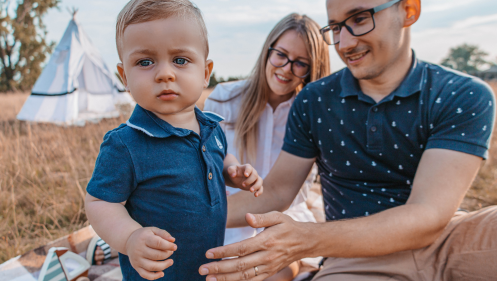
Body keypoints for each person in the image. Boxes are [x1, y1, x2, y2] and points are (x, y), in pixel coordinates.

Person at [198, 0, 497, 280]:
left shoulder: (463, 95)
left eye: (359, 18)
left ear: (408, 10)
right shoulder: (315, 101)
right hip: (353, 257)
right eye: (337, 27)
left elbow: (429, 215)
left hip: (449, 239)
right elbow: (275, 191)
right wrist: (177, 217)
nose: (346, 43)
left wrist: (305, 238)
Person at [84, 0, 264, 280]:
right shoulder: (127, 144)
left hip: (206, 266)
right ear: (124, 77)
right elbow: (99, 203)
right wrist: (130, 238)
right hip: (158, 273)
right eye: (145, 62)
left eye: (180, 60)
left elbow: (219, 156)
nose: (165, 73)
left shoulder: (212, 127)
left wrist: (233, 172)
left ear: (205, 73)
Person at [203, 13, 330, 281]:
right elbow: (210, 158)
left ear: (312, 69)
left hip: (285, 216)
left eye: (300, 64)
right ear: (268, 50)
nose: (286, 68)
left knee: (276, 272)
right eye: (281, 55)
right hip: (230, 213)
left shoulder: (309, 112)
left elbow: (286, 195)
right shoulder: (225, 99)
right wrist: (231, 171)